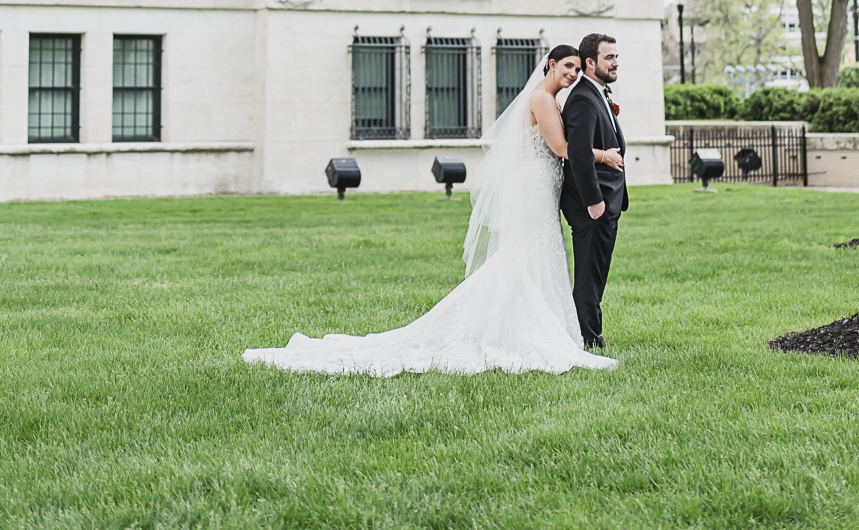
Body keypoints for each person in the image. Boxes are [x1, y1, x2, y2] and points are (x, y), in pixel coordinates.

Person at [243, 45, 617, 376]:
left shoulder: (549, 98)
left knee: (536, 253)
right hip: (536, 186)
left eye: (575, 69)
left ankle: (539, 322)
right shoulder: (541, 99)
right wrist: (603, 154)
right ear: (550, 66)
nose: (572, 74)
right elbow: (563, 148)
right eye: (567, 66)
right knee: (533, 252)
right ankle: (533, 328)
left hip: (541, 185)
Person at [560, 32, 627, 349]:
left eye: (616, 56)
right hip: (591, 203)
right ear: (590, 62)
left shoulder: (599, 92)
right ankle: (588, 335)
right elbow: (579, 153)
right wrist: (594, 201)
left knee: (598, 270)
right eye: (609, 57)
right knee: (589, 272)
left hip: (606, 200)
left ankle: (587, 329)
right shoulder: (584, 98)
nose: (615, 62)